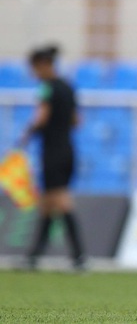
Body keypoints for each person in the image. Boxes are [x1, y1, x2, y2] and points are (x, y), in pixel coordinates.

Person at [20, 45, 85, 270]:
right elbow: (77, 121)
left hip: (52, 152)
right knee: (47, 204)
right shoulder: (68, 87)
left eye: (35, 68)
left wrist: (26, 135)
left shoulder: (46, 88)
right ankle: (34, 256)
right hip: (68, 148)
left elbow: (41, 117)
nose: (34, 74)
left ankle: (79, 256)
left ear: (43, 65)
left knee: (60, 201)